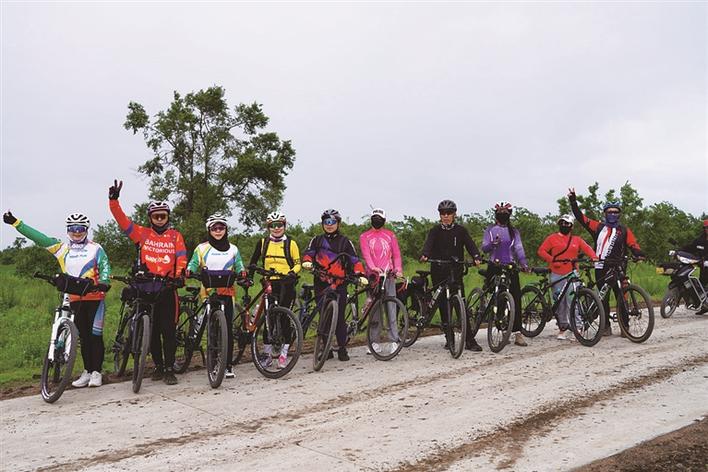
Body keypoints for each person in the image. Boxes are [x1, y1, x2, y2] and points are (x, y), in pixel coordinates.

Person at [3, 211, 111, 388]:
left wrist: (104, 282)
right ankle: (87, 371)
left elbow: (105, 266)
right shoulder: (62, 249)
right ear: (68, 230)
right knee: (83, 337)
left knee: (95, 336)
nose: (77, 232)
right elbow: (39, 238)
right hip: (75, 299)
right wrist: (16, 223)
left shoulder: (96, 248)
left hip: (95, 297)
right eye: (73, 229)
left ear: (86, 229)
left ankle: (97, 372)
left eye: (80, 228)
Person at [108, 180, 187, 385]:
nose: (160, 219)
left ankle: (169, 369)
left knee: (168, 331)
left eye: (163, 216)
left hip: (167, 288)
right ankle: (158, 366)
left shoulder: (175, 236)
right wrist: (114, 201)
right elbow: (122, 221)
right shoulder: (142, 233)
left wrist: (179, 275)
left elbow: (181, 257)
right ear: (150, 218)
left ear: (168, 217)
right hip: (145, 287)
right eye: (156, 216)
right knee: (151, 331)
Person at [568, 188, 645, 335]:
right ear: (605, 213)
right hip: (601, 267)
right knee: (603, 297)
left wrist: (638, 253)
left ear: (619, 214)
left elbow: (633, 244)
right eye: (610, 212)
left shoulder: (624, 230)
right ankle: (605, 327)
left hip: (619, 267)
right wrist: (573, 201)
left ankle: (625, 327)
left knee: (622, 296)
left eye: (616, 212)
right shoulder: (598, 227)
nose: (613, 214)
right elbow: (581, 218)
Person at [302, 209, 367, 362]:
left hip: (340, 283)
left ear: (338, 223)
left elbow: (355, 260)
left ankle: (342, 348)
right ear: (323, 224)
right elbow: (309, 254)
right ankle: (326, 349)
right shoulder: (317, 240)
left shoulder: (345, 241)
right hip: (321, 282)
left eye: (332, 222)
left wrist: (360, 274)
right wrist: (307, 261)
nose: (329, 225)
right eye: (326, 222)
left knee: (339, 318)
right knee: (324, 316)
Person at [187, 214, 246, 378]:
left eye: (221, 228)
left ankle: (227, 365)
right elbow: (194, 262)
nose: (218, 231)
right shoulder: (201, 248)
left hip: (227, 291)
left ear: (226, 230)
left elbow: (239, 264)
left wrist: (242, 272)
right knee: (212, 329)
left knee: (227, 328)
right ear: (209, 230)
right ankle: (213, 364)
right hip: (208, 290)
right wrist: (190, 270)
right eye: (214, 228)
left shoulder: (233, 249)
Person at [420, 200, 483, 351]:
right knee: (443, 305)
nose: (446, 216)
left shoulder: (461, 231)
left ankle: (469, 341)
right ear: (440, 215)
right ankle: (449, 339)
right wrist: (425, 255)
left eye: (449, 213)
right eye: (443, 213)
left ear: (454, 214)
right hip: (438, 271)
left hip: (455, 272)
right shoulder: (435, 231)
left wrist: (476, 256)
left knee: (461, 306)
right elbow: (428, 245)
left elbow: (470, 245)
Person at [248, 211, 302, 368]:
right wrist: (250, 277)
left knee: (284, 318)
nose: (276, 228)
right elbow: (253, 262)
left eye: (279, 225)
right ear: (268, 227)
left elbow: (297, 263)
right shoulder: (263, 242)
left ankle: (283, 355)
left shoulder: (291, 243)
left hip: (286, 283)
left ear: (284, 226)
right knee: (268, 318)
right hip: (269, 283)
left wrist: (292, 272)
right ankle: (267, 354)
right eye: (273, 225)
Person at [537, 214, 598, 340]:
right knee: (560, 302)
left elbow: (587, 248)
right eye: (562, 223)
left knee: (573, 301)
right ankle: (563, 327)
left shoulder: (577, 240)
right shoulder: (552, 238)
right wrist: (552, 260)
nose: (564, 225)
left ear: (571, 226)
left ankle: (578, 327)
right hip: (556, 273)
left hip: (572, 273)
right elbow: (541, 251)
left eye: (567, 223)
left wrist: (594, 257)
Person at [481, 201, 530, 347]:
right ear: (496, 215)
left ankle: (517, 333)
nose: (502, 216)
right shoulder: (490, 230)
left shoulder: (514, 232)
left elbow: (518, 248)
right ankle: (500, 326)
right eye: (500, 213)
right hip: (494, 265)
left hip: (510, 266)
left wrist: (524, 263)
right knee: (497, 297)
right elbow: (484, 247)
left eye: (505, 214)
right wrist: (492, 244)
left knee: (515, 298)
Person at [359, 208, 404, 354]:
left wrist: (398, 269)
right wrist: (373, 267)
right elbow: (366, 254)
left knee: (391, 308)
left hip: (388, 276)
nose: (377, 221)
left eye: (379, 218)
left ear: (384, 221)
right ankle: (374, 341)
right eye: (374, 218)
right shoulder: (364, 236)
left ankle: (394, 340)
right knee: (374, 310)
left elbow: (396, 255)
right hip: (373, 277)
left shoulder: (390, 235)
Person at [679, 220, 708, 314]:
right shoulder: (700, 240)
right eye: (706, 228)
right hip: (703, 266)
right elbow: (690, 247)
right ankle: (704, 306)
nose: (707, 229)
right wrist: (679, 251)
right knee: (701, 285)